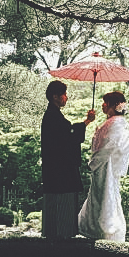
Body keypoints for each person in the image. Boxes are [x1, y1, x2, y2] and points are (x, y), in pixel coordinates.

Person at [40, 80, 96, 239]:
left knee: (54, 208)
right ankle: (61, 239)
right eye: (64, 94)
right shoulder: (53, 117)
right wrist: (87, 121)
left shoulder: (52, 115)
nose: (66, 98)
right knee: (62, 209)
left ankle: (54, 236)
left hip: (54, 171)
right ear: (55, 97)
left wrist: (85, 122)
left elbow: (68, 132)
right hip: (61, 172)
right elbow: (70, 136)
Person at [78, 91, 129, 242]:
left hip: (105, 164)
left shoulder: (114, 123)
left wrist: (95, 160)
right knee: (101, 194)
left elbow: (108, 146)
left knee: (104, 194)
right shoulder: (112, 122)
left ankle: (104, 228)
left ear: (112, 105)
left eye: (105, 102)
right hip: (102, 164)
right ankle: (98, 227)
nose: (103, 105)